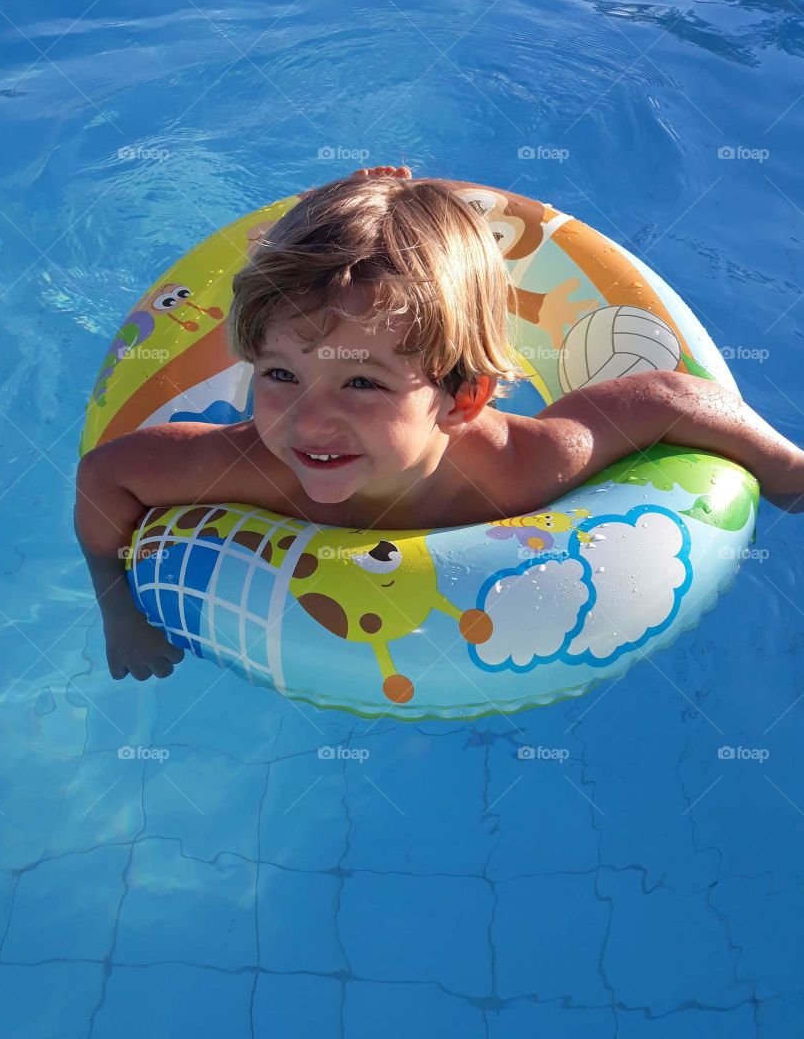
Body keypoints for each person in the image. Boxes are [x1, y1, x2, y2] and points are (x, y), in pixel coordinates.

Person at [75, 168, 804, 681]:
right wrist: (115, 601)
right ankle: (363, 197)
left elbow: (668, 397)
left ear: (463, 399)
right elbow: (107, 474)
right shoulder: (245, 468)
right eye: (279, 375)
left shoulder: (525, 468)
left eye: (362, 382)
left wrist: (784, 468)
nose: (308, 418)